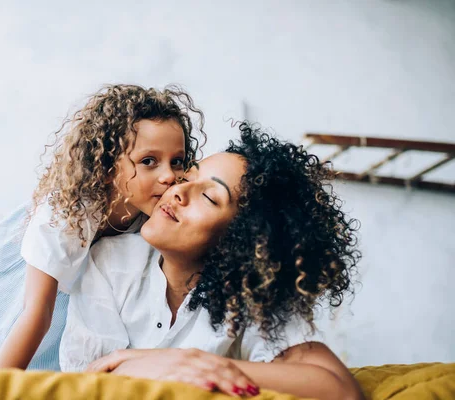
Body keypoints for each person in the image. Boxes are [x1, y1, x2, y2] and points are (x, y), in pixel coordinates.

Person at [60, 123, 364, 400]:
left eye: (209, 197)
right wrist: (176, 365)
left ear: (243, 239)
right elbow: (90, 382)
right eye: (188, 177)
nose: (178, 191)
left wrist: (198, 363)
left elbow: (340, 391)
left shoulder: (253, 295)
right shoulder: (109, 261)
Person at [0, 84, 205, 370]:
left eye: (177, 161)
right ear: (106, 167)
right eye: (149, 161)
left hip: (83, 293)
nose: (169, 176)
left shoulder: (158, 212)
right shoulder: (67, 213)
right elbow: (37, 311)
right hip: (25, 276)